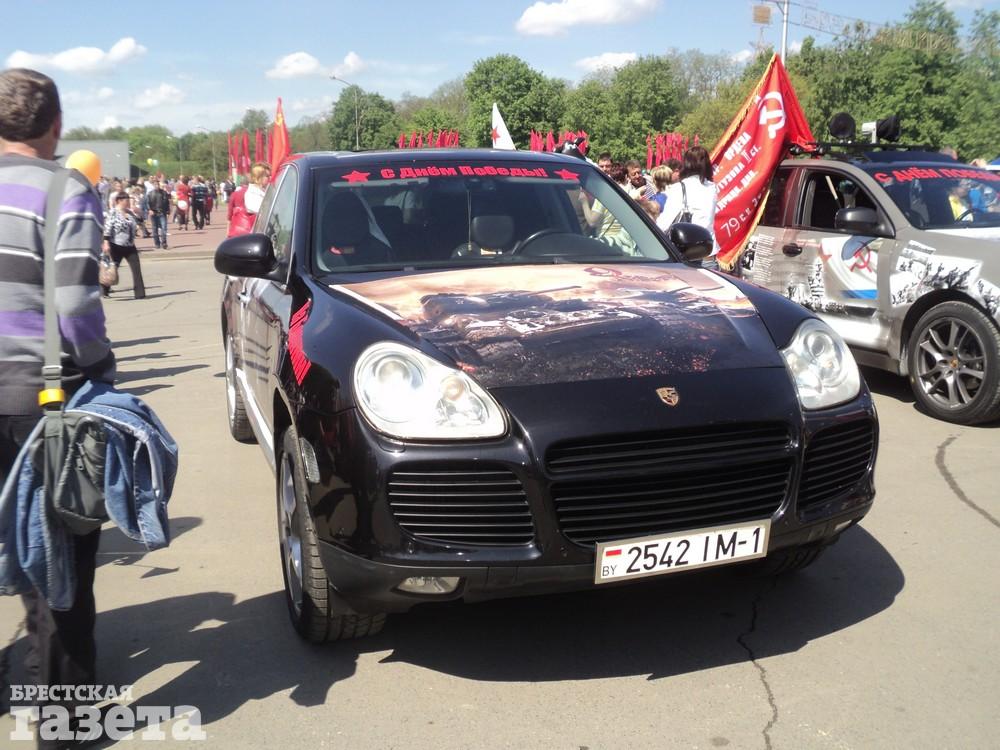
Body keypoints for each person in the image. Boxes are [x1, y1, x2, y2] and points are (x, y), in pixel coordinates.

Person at [0, 67, 116, 747]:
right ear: (56, 124)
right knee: (59, 559)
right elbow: (74, 305)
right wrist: (101, 370)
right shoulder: (66, 189)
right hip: (40, 400)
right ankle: (64, 722)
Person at [656, 146, 719, 266]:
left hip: (687, 254)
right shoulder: (712, 187)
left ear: (686, 164)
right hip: (709, 252)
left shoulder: (679, 188)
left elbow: (664, 223)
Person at [102, 192, 146, 299]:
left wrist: (139, 213)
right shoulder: (113, 212)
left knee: (136, 268)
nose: (128, 203)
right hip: (116, 245)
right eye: (126, 200)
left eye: (128, 200)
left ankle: (140, 293)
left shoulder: (129, 213)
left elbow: (140, 222)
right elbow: (107, 228)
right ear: (119, 201)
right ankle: (104, 289)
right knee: (113, 268)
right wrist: (106, 242)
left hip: (130, 245)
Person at [147, 178, 170, 249]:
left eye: (157, 184)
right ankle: (157, 243)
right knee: (155, 229)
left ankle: (164, 242)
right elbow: (147, 203)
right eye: (155, 184)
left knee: (164, 228)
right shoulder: (150, 194)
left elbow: (167, 202)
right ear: (153, 185)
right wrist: (149, 210)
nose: (156, 186)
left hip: (162, 212)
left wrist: (168, 210)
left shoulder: (164, 193)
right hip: (154, 213)